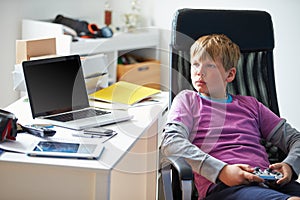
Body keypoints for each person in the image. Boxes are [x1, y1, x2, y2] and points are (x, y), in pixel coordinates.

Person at [161, 34, 300, 200]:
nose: (199, 72)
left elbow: (295, 139)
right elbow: (171, 142)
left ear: (230, 74)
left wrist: (290, 165)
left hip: (268, 180)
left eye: (210, 66)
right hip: (224, 187)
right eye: (196, 64)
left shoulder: (251, 106)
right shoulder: (188, 101)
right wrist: (222, 171)